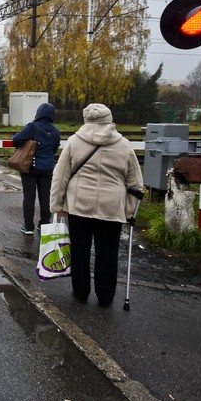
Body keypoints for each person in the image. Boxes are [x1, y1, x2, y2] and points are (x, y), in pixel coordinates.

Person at [50, 103, 143, 308]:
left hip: (78, 206)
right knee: (108, 253)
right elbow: (136, 184)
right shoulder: (124, 145)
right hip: (111, 208)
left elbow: (60, 176)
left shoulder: (75, 142)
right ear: (109, 119)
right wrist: (128, 212)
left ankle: (81, 293)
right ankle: (106, 296)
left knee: (79, 251)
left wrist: (57, 205)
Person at [12, 102, 61, 235]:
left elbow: (16, 140)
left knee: (29, 197)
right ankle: (44, 224)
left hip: (30, 167)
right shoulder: (55, 131)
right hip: (48, 168)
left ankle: (28, 227)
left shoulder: (33, 127)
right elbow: (55, 148)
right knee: (45, 197)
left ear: (38, 113)